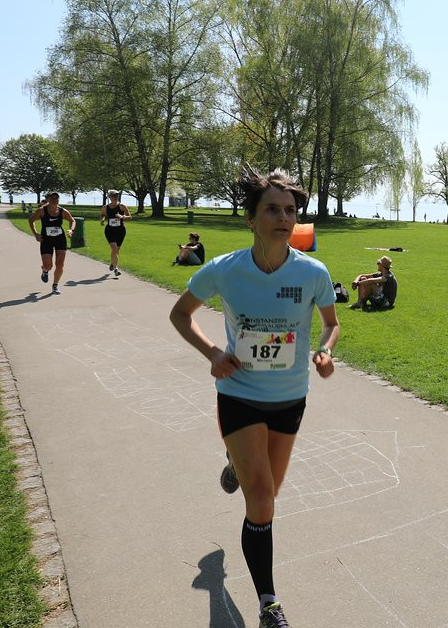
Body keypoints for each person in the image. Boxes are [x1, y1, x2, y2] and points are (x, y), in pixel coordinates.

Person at [169, 167, 339, 628]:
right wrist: (212, 351)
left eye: (290, 210)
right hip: (239, 395)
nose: (283, 217)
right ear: (250, 218)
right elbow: (180, 314)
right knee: (261, 500)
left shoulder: (313, 272)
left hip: (290, 399)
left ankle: (233, 462)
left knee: (266, 493)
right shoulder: (225, 270)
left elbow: (331, 322)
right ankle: (269, 603)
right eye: (272, 209)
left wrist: (324, 352)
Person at [29, 192, 76, 295]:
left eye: (57, 198)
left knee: (60, 264)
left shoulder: (62, 211)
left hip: (60, 239)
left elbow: (72, 221)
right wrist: (36, 234)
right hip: (46, 240)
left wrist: (71, 230)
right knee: (48, 265)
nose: (55, 200)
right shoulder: (42, 211)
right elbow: (31, 220)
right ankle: (45, 270)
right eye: (52, 198)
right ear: (48, 199)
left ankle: (55, 285)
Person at [99, 190, 132, 277]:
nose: (116, 197)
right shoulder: (105, 207)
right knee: (114, 249)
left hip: (120, 230)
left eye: (117, 195)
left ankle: (113, 263)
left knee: (116, 250)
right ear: (109, 197)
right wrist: (102, 220)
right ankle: (116, 269)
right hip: (110, 230)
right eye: (114, 195)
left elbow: (130, 217)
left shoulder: (122, 206)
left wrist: (123, 216)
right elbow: (102, 214)